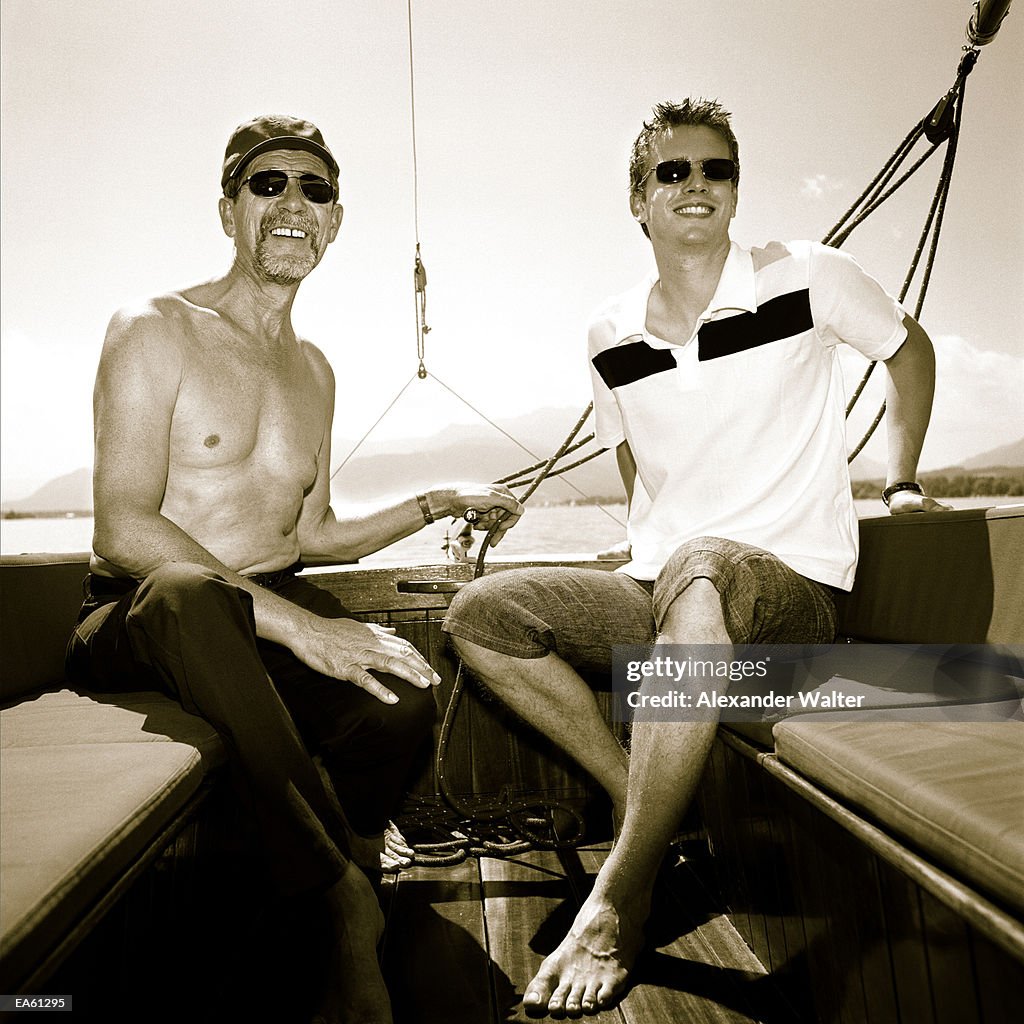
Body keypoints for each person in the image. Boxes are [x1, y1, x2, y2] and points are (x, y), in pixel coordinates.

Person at [442, 98, 949, 1015]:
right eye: (672, 172)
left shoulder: (809, 275)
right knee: (483, 616)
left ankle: (621, 893)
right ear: (639, 200)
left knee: (705, 563)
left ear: (735, 188)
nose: (696, 185)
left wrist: (901, 479)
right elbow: (632, 451)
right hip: (671, 583)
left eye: (715, 169)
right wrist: (637, 538)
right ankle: (650, 809)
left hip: (789, 591)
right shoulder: (608, 332)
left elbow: (909, 353)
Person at [64, 114, 522, 1024]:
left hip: (261, 608)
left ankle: (339, 850)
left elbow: (314, 536)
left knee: (402, 699)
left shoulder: (314, 370)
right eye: (267, 184)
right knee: (196, 596)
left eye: (314, 190)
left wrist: (441, 501)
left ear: (335, 222)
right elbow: (122, 525)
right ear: (229, 209)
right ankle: (341, 896)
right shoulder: (154, 328)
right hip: (148, 614)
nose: (292, 204)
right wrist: (308, 628)